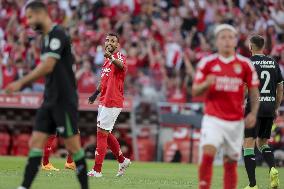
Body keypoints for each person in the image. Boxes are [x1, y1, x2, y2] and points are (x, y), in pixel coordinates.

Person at [5, 1, 88, 189]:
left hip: (64, 101)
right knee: (35, 142)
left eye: (30, 17)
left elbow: (48, 65)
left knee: (73, 148)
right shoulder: (46, 38)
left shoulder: (58, 34)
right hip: (49, 99)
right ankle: (24, 186)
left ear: (41, 14)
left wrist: (21, 82)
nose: (28, 21)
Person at [192, 24, 260, 189]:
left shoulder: (245, 65)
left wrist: (253, 113)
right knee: (208, 154)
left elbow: (253, 91)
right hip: (213, 119)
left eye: (230, 37)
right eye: (223, 37)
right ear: (216, 41)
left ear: (236, 40)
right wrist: (206, 84)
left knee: (230, 162)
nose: (227, 41)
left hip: (235, 122)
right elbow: (195, 91)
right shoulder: (207, 63)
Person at [87, 33, 131, 177]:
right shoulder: (106, 61)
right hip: (104, 100)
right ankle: (122, 160)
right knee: (105, 132)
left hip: (112, 101)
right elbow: (103, 81)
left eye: (113, 41)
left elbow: (122, 66)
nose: (109, 42)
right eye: (107, 40)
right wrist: (95, 94)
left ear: (117, 45)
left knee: (101, 133)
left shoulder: (118, 58)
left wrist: (111, 58)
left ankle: (97, 170)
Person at [243, 35, 283, 189]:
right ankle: (273, 168)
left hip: (254, 107)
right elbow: (280, 88)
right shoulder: (273, 62)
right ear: (263, 46)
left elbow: (245, 87)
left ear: (251, 47)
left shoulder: (249, 63)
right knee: (263, 142)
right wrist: (276, 107)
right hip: (269, 107)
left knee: (248, 144)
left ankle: (252, 185)